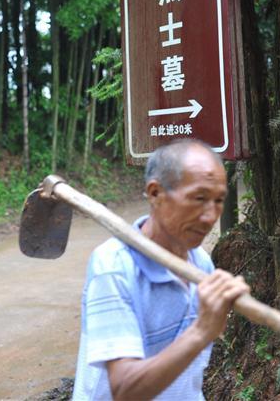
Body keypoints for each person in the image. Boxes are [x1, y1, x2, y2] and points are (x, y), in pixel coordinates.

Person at [72, 139, 250, 400]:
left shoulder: (200, 264)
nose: (210, 215)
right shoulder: (113, 268)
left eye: (219, 200)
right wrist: (201, 331)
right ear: (155, 194)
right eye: (199, 198)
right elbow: (124, 389)